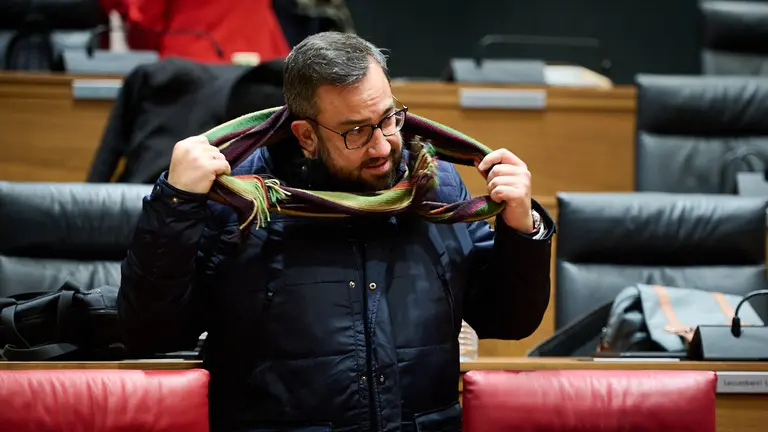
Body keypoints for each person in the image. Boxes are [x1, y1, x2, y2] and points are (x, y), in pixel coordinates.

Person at [118, 31, 554, 432]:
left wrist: (520, 227)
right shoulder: (238, 201)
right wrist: (175, 203)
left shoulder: (435, 185)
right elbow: (152, 331)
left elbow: (509, 320)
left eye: (388, 119)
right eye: (356, 132)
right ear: (305, 136)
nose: (382, 145)